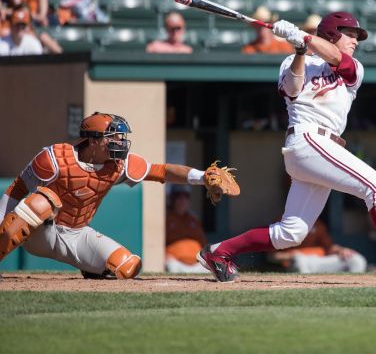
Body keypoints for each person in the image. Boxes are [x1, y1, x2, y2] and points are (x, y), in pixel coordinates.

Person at [197, 12, 376, 284]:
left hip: (322, 148)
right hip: (307, 139)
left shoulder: (354, 68)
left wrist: (303, 37)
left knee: (290, 233)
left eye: (356, 37)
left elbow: (339, 60)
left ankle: (218, 253)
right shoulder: (291, 62)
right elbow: (292, 90)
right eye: (350, 35)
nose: (355, 41)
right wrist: (300, 51)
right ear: (331, 33)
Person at [0, 112, 239, 279]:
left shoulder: (119, 164)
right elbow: (17, 188)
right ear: (93, 141)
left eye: (121, 137)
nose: (120, 143)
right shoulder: (55, 158)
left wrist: (202, 176)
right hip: (43, 232)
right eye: (112, 137)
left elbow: (161, 170)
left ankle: (93, 267)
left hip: (77, 233)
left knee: (128, 267)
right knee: (42, 202)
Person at [268, 218, 367, 273]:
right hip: (299, 261)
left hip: (320, 261)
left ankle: (351, 288)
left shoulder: (317, 224)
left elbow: (329, 247)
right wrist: (291, 256)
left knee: (355, 258)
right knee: (300, 261)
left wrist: (341, 250)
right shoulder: (282, 224)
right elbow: (271, 256)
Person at [165, 185, 210, 273]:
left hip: (198, 264)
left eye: (186, 197)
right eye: (178, 197)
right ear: (172, 200)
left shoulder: (193, 219)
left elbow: (204, 244)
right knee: (172, 266)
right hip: (176, 263)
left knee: (212, 270)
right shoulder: (166, 219)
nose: (182, 200)